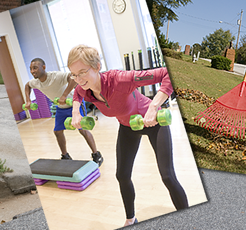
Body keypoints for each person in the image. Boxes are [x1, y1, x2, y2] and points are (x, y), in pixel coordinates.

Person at [67, 45, 188, 227]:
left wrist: (154, 107)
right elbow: (77, 93)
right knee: (122, 175)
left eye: (82, 72)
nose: (78, 79)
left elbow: (166, 74)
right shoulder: (84, 87)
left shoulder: (120, 79)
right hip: (127, 126)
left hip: (154, 123)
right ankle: (131, 219)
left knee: (167, 176)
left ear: (97, 66)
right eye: (73, 74)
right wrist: (76, 112)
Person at [24, 58, 103, 165]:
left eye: (35, 68)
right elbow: (27, 85)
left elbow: (72, 77)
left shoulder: (55, 76)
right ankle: (65, 156)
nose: (32, 71)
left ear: (43, 67)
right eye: (31, 69)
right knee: (57, 131)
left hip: (74, 103)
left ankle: (96, 154)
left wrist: (64, 95)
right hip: (61, 108)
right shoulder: (36, 82)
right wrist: (28, 100)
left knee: (82, 130)